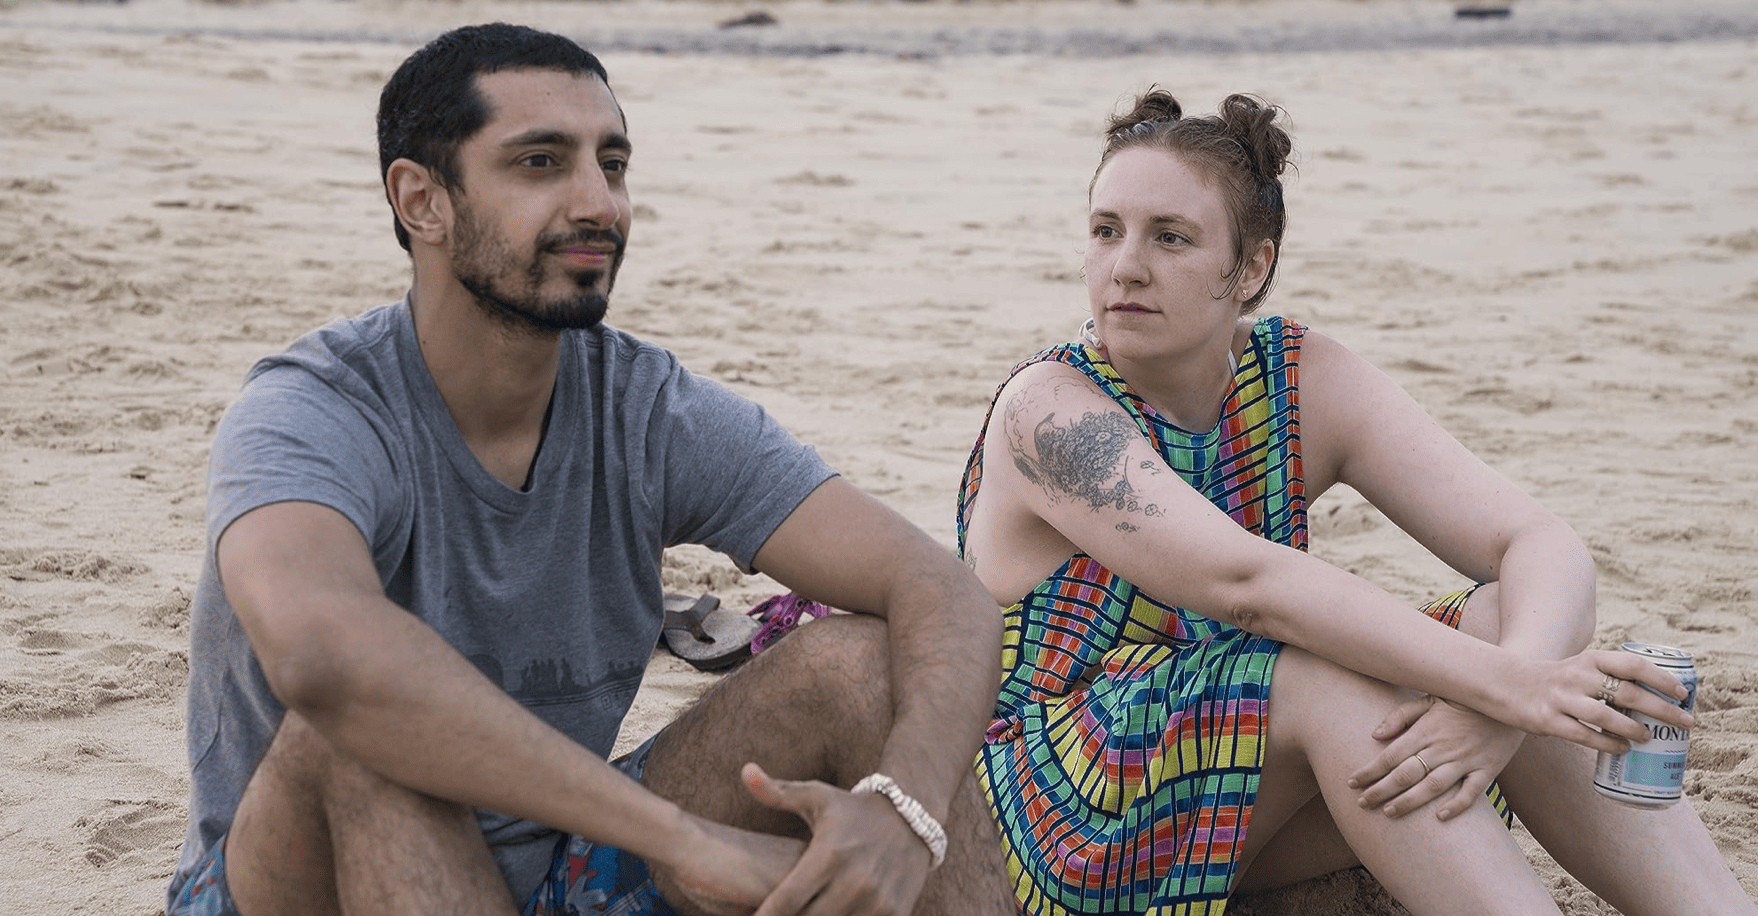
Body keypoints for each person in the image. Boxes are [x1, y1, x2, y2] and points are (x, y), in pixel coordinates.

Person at [164, 23, 1018, 916]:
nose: (598, 203)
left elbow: (940, 589)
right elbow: (326, 660)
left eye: (611, 164)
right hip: (299, 883)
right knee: (348, 736)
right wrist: (685, 842)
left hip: (553, 876)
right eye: (540, 163)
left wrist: (903, 811)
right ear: (422, 201)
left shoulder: (645, 407)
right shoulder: (314, 410)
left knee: (862, 663)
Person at [954, 88, 1757, 915]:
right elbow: (1248, 587)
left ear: (1252, 268)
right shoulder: (1049, 411)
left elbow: (1539, 542)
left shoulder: (1297, 377)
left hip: (1234, 790)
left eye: (1171, 237)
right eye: (1105, 230)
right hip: (1053, 809)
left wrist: (1510, 695)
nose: (1125, 264)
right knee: (1325, 681)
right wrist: (1511, 690)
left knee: (1506, 622)